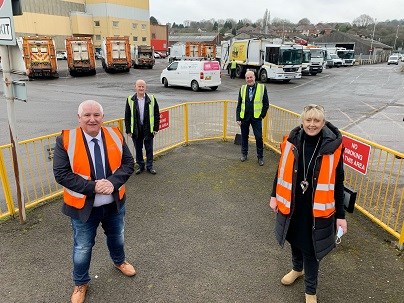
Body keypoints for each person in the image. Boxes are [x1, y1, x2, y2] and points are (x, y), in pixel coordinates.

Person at [53, 100, 136, 303]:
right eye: (87, 115)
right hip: (83, 209)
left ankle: (119, 261)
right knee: (82, 247)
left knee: (117, 236)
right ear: (79, 118)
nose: (92, 119)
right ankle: (80, 283)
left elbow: (128, 164)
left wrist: (113, 182)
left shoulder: (115, 134)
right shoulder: (65, 139)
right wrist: (93, 187)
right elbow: (61, 174)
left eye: (96, 115)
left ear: (102, 117)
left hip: (114, 204)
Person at [268, 104, 347, 303]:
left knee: (311, 251)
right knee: (294, 239)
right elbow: (280, 171)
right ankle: (297, 269)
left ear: (323, 122)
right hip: (294, 204)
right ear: (302, 121)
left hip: (317, 210)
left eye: (316, 120)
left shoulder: (333, 147)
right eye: (308, 120)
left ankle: (310, 291)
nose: (312, 124)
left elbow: (338, 182)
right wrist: (274, 195)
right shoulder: (292, 141)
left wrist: (341, 217)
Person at [125, 79, 160, 175]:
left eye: (142, 86)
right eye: (139, 86)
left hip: (148, 128)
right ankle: (141, 166)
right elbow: (127, 116)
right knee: (138, 149)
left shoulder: (152, 99)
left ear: (145, 88)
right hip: (136, 129)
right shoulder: (130, 100)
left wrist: (156, 128)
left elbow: (156, 114)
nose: (141, 88)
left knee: (149, 149)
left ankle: (150, 166)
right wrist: (128, 130)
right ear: (135, 87)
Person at [236, 70, 269, 166]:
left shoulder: (262, 88)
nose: (249, 79)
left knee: (258, 137)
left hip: (256, 118)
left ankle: (260, 157)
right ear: (245, 79)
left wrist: (261, 115)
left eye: (251, 77)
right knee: (244, 137)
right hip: (244, 117)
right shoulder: (242, 88)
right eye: (247, 78)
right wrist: (238, 118)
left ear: (254, 77)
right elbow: (239, 104)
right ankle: (244, 154)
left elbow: (266, 104)